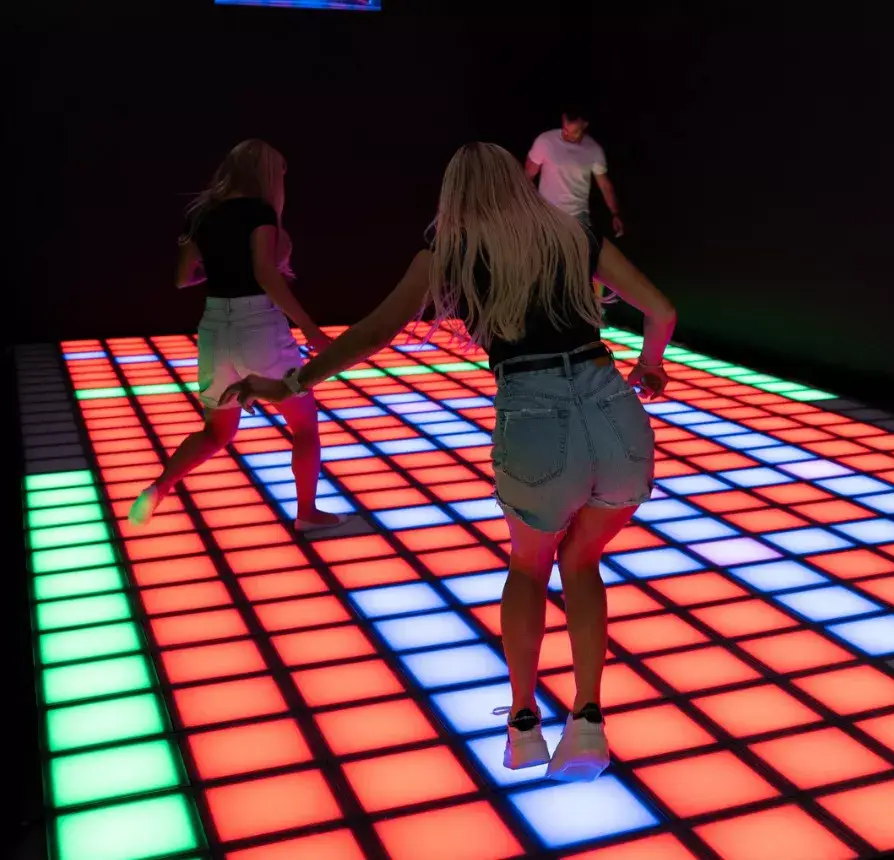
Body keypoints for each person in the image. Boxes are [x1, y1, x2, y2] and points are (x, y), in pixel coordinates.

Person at [224, 142, 677, 782]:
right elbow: (662, 311)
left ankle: (524, 727)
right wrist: (650, 365)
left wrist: (291, 383)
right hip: (615, 413)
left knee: (529, 568)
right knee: (582, 562)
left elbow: (373, 332)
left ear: (453, 195)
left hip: (535, 417)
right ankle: (587, 722)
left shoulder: (450, 251)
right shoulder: (573, 235)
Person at [129, 140, 345, 533]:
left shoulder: (202, 214)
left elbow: (182, 279)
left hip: (214, 327)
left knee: (216, 431)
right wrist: (310, 329)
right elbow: (265, 274)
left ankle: (158, 488)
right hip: (258, 324)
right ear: (267, 175)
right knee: (304, 426)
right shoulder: (260, 212)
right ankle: (307, 512)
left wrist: (221, 267)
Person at [526, 105, 624, 237]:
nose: (567, 135)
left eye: (574, 132)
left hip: (578, 216)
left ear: (584, 125)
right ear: (563, 119)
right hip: (547, 214)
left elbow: (605, 186)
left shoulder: (594, 150)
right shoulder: (545, 141)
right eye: (565, 130)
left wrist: (615, 214)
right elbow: (528, 175)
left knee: (585, 247)